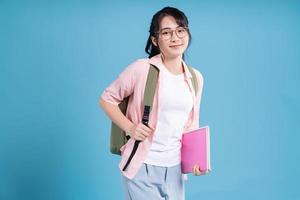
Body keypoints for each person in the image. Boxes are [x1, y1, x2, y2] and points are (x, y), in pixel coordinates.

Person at [100, 6, 205, 200]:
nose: (175, 37)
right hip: (143, 166)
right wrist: (130, 127)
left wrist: (196, 162)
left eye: (180, 30)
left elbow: (191, 125)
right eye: (167, 32)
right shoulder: (141, 69)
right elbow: (107, 99)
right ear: (155, 40)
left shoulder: (195, 77)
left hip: (175, 170)